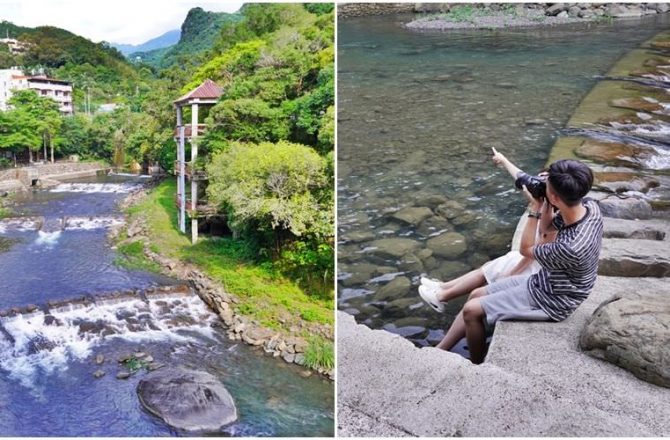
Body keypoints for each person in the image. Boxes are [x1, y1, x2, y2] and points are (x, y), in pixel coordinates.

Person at [422, 148, 603, 364]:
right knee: (476, 293)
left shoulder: (570, 247)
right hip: (549, 281)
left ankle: (476, 364)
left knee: (471, 310)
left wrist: (536, 207)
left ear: (554, 196)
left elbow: (526, 250)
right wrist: (545, 202)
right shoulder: (590, 207)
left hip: (556, 299)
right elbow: (547, 228)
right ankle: (444, 349)